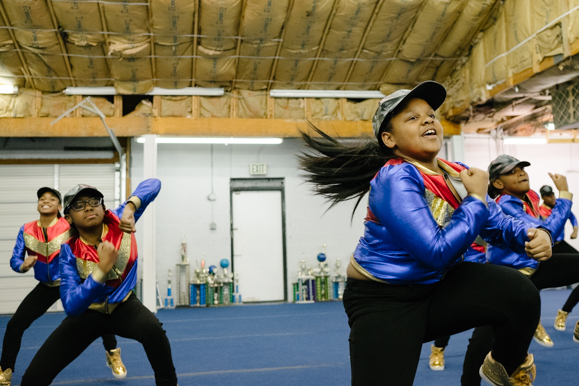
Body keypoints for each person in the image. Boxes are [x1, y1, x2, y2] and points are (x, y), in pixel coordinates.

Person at [299, 81, 554, 385]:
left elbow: (499, 224)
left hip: (436, 287)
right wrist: (474, 199)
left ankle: (505, 366)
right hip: (385, 300)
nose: (428, 120)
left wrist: (534, 233)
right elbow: (435, 252)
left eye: (431, 115)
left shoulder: (456, 174)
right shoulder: (394, 177)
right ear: (389, 138)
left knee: (519, 294)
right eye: (413, 118)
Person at [20, 180, 178, 386]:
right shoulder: (68, 251)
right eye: (78, 205)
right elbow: (71, 306)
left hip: (124, 306)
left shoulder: (120, 220)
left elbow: (154, 184)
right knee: (33, 378)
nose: (88, 207)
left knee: (155, 332)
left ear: (103, 208)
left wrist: (131, 206)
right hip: (88, 313)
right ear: (68, 218)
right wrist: (100, 272)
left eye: (94, 201)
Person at [461, 155, 575, 385]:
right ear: (497, 183)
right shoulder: (504, 203)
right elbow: (546, 230)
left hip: (531, 270)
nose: (521, 172)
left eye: (522, 168)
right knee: (484, 339)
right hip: (508, 279)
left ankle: (514, 363)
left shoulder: (529, 199)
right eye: (512, 171)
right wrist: (564, 194)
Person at [0, 187, 126, 386]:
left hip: (74, 281)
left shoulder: (69, 225)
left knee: (100, 310)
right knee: (15, 324)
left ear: (60, 207)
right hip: (46, 286)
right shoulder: (26, 230)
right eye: (42, 198)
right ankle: (5, 369)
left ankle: (112, 353)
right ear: (37, 205)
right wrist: (22, 266)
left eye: (52, 198)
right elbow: (15, 259)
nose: (46, 201)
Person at [539, 185, 579, 331]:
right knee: (536, 283)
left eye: (553, 195)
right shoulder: (539, 211)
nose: (552, 198)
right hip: (548, 248)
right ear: (543, 197)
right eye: (548, 196)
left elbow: (572, 217)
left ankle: (564, 312)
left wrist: (575, 229)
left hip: (562, 244)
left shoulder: (559, 207)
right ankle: (534, 320)